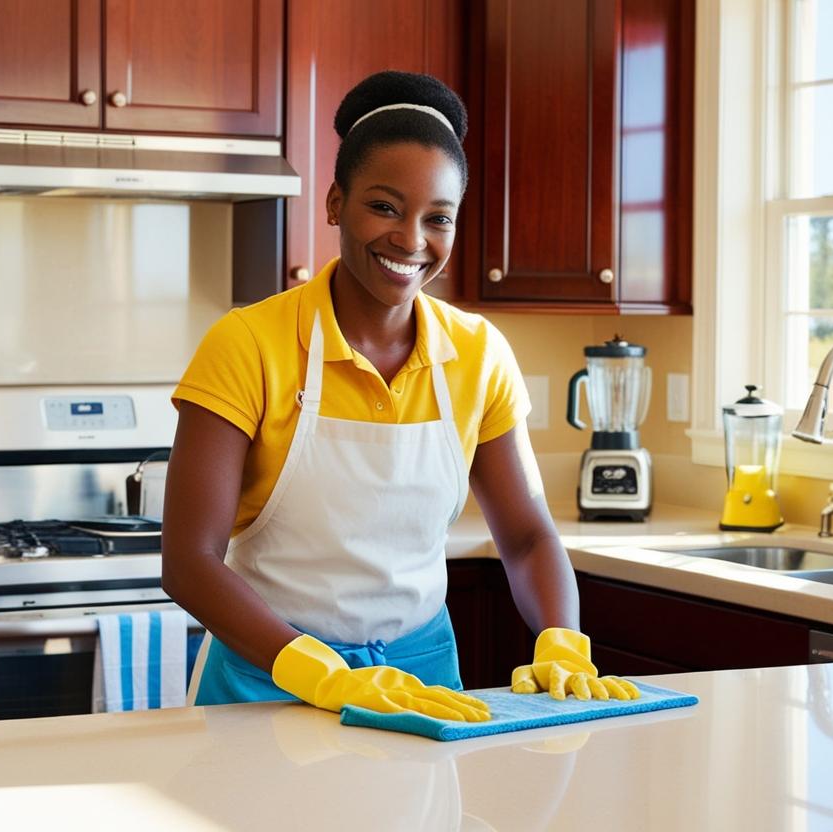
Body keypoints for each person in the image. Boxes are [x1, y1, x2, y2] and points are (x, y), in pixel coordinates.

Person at [162, 71, 637, 721]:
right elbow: (189, 562)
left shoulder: (477, 353)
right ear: (334, 202)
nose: (412, 240)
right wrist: (320, 674)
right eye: (384, 206)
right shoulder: (248, 344)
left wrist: (561, 640)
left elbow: (526, 537)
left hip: (422, 684)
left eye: (437, 217)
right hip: (266, 679)